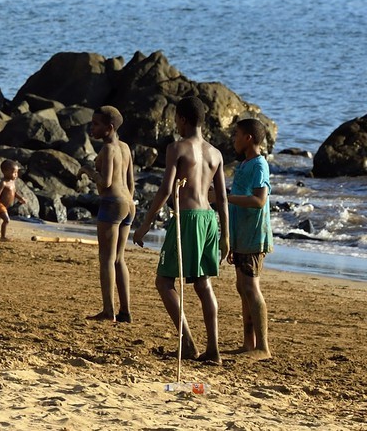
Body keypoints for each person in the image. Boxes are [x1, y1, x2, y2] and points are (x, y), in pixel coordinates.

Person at [131, 96, 229, 365]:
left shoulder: (177, 148)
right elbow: (221, 198)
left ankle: (187, 343)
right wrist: (226, 236)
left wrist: (145, 224)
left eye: (176, 118)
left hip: (187, 219)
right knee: (203, 284)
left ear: (183, 119)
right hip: (209, 218)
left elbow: (165, 189)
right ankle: (213, 349)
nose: (175, 123)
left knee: (164, 282)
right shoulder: (216, 153)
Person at [80, 105, 135, 323]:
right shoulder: (125, 147)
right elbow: (130, 182)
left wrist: (88, 171)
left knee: (106, 259)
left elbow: (106, 182)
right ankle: (125, 311)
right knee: (120, 259)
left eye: (96, 124)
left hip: (112, 203)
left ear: (109, 128)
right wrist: (127, 202)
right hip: (128, 204)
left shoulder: (108, 149)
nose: (92, 128)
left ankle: (108, 311)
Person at [225, 117, 274, 358]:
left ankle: (263, 347)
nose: (234, 139)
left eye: (236, 135)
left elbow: (259, 200)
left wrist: (224, 198)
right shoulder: (244, 164)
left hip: (254, 234)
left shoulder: (259, 165)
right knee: (242, 287)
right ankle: (248, 343)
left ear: (248, 138)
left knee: (251, 287)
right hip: (241, 235)